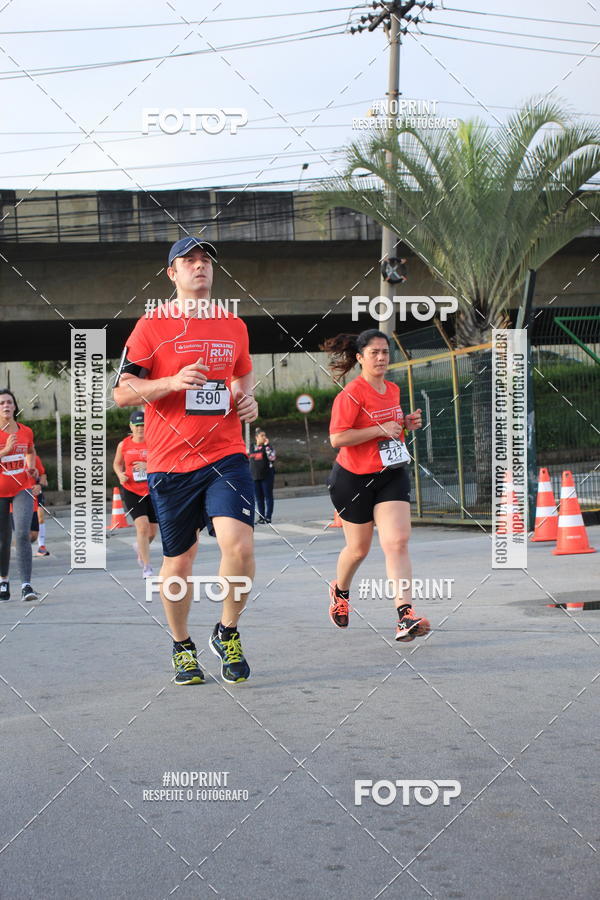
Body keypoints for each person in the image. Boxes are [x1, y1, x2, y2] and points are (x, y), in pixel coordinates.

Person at [113, 237, 258, 685]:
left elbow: (242, 371)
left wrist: (246, 397)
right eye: (189, 260)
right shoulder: (151, 326)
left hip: (225, 455)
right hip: (170, 462)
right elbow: (122, 393)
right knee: (180, 562)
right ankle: (182, 645)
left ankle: (227, 631)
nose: (200, 266)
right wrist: (172, 382)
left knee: (239, 546)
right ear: (172, 273)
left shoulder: (233, 324)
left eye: (205, 260)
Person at [321, 329, 429, 642]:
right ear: (360, 358)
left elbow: (390, 428)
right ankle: (340, 591)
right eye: (374, 353)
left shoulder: (392, 389)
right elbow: (337, 438)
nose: (381, 358)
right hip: (352, 478)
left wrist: (406, 423)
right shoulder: (351, 394)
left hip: (390, 473)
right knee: (358, 549)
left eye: (385, 352)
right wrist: (379, 428)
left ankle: (405, 615)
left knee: (397, 542)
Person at [0, 389, 40, 601]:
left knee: (23, 534)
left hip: (21, 488)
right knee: (3, 540)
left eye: (9, 402)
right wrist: (5, 451)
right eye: (1, 403)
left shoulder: (26, 431)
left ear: (15, 406)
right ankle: (3, 581)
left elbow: (30, 451)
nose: (5, 406)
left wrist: (31, 468)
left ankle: (26, 586)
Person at [113, 409, 158, 578]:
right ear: (131, 426)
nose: (140, 428)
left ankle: (140, 547)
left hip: (152, 491)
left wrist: (148, 466)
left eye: (143, 425)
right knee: (143, 527)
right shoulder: (123, 445)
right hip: (132, 491)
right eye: (137, 425)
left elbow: (162, 462)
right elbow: (117, 464)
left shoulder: (154, 443)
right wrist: (120, 474)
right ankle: (147, 567)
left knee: (152, 532)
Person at [249, 429, 276, 524]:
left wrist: (267, 446)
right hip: (255, 476)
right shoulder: (251, 447)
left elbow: (272, 458)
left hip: (266, 476)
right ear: (256, 437)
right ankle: (261, 517)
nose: (264, 437)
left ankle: (268, 517)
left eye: (265, 435)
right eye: (262, 436)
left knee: (268, 496)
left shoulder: (268, 447)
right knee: (258, 498)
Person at [30, 454, 50, 556]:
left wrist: (40, 482)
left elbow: (43, 476)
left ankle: (42, 546)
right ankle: (23, 545)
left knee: (40, 517)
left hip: (36, 491)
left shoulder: (35, 457)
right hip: (21, 493)